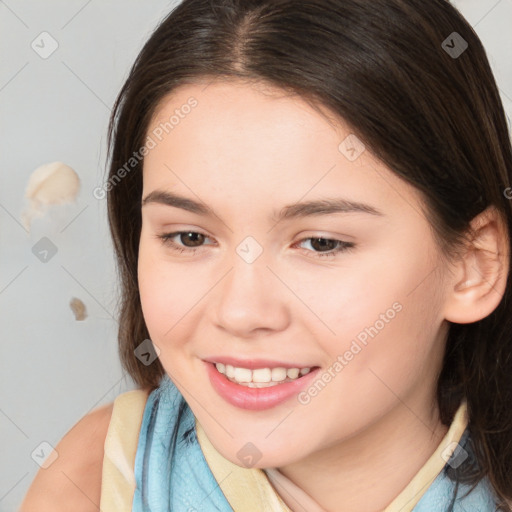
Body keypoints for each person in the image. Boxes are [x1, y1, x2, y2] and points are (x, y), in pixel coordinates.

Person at [20, 0, 512, 510]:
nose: (240, 312)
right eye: (190, 237)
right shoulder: (97, 480)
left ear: (473, 266)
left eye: (321, 243)